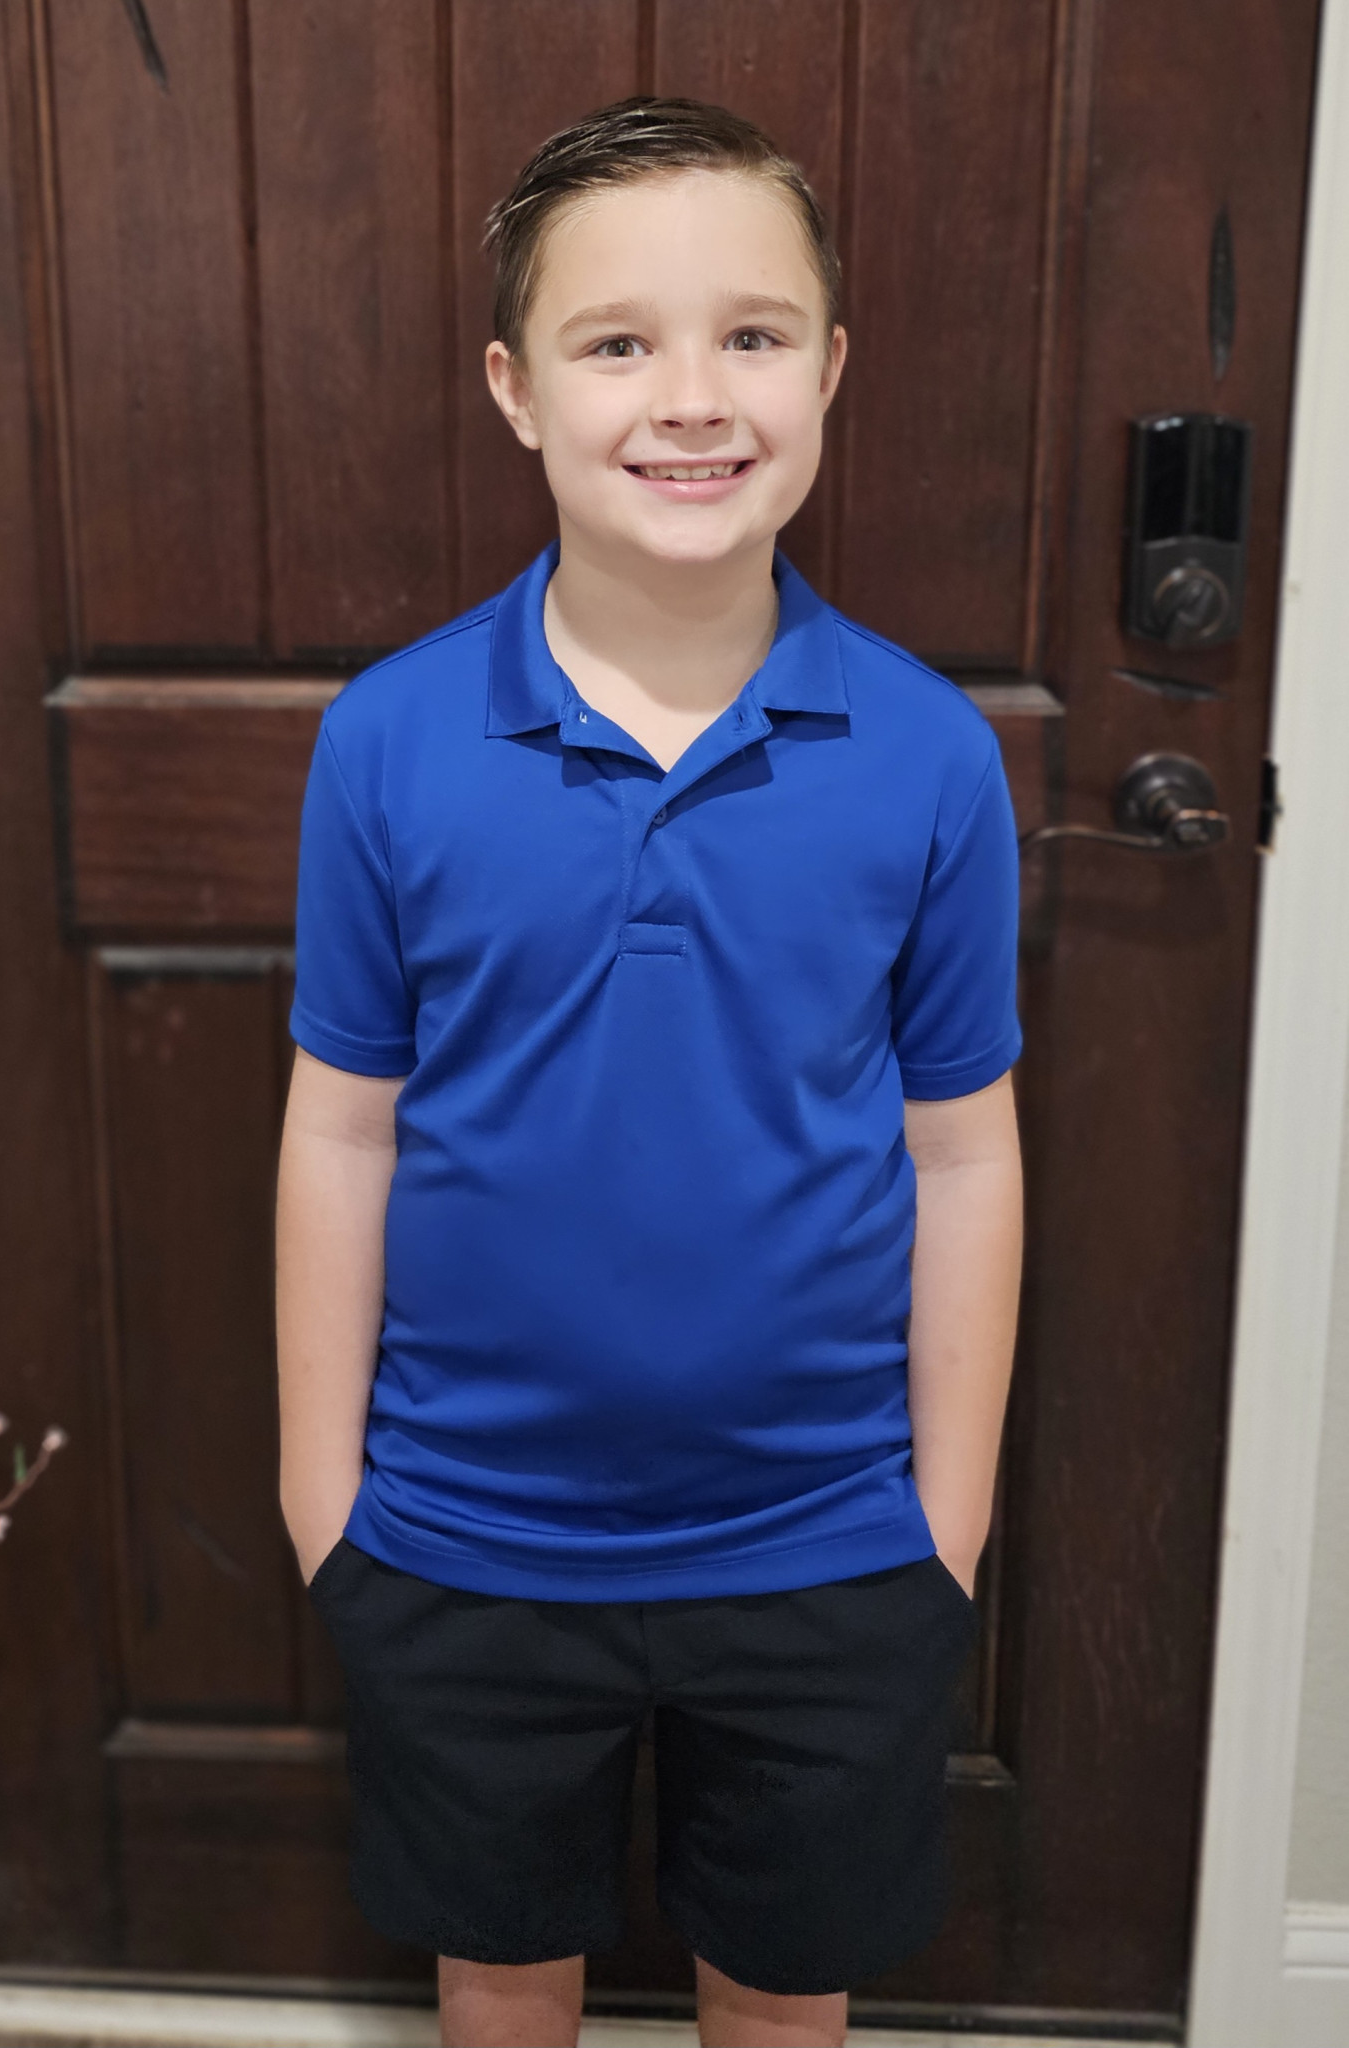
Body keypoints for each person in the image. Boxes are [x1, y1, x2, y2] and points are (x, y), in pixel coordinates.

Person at [276, 94, 1024, 2048]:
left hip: (827, 1549)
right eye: (617, 342)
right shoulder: (387, 743)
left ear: (828, 368)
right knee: (498, 1985)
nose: (691, 397)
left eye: (749, 334)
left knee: (780, 2003)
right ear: (516, 390)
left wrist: (941, 1529)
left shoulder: (929, 757)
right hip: (462, 1538)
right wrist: (322, 1501)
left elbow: (961, 1154)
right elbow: (342, 1130)